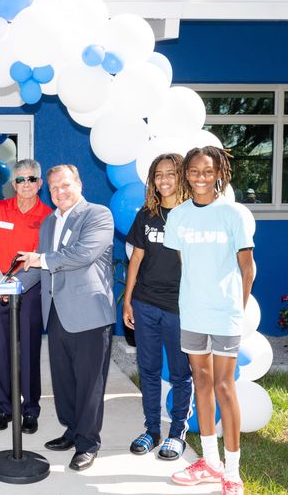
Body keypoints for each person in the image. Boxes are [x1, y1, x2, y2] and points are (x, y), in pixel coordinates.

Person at [165, 146, 255, 495]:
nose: (200, 178)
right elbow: (187, 265)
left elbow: (248, 268)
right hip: (193, 312)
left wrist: (237, 308)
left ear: (220, 173)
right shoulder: (179, 217)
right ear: (186, 174)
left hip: (225, 314)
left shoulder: (233, 214)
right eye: (193, 171)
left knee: (223, 387)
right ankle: (210, 463)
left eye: (207, 171)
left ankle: (232, 471)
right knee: (200, 382)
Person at [17, 164, 115, 472]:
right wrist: (10, 290)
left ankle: (87, 443)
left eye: (65, 185)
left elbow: (81, 254)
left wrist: (41, 259)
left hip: (89, 313)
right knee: (64, 380)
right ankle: (72, 430)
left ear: (79, 183)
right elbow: (38, 267)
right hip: (56, 312)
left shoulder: (98, 215)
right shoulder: (49, 222)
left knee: (89, 382)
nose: (59, 192)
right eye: (54, 187)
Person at [122, 153, 193, 461]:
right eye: (158, 175)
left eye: (171, 173)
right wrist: (127, 300)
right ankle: (152, 430)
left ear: (181, 177)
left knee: (180, 372)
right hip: (145, 303)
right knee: (148, 370)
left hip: (180, 307)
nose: (164, 180)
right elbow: (135, 258)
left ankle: (177, 433)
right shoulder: (146, 214)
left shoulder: (193, 214)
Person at [0, 159, 52, 433]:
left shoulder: (48, 216)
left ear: (40, 183)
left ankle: (30, 409)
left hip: (29, 289)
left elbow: (43, 257)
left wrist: (14, 284)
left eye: (31, 179)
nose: (26, 184)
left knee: (29, 351)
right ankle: (5, 407)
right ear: (13, 184)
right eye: (20, 180)